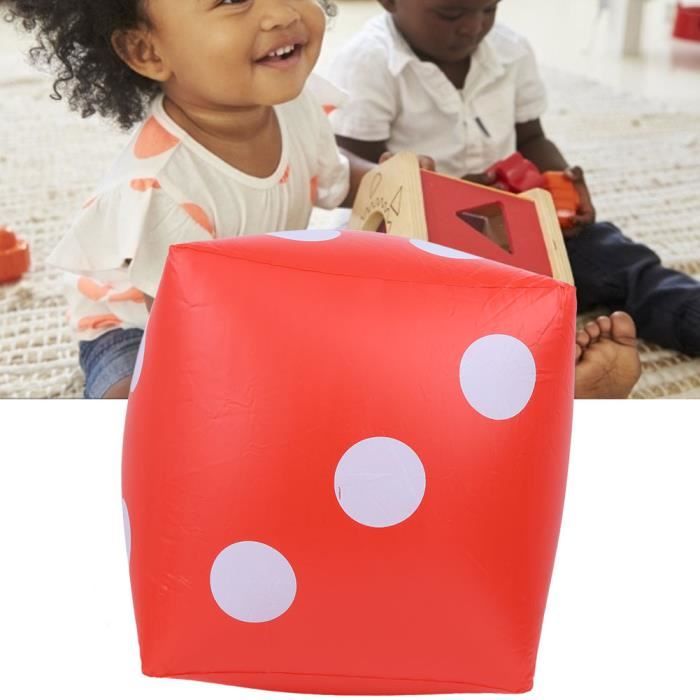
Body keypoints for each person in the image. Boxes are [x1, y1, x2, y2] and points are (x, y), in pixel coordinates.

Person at [6, 0, 417, 398]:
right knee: (148, 402)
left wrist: (394, 181)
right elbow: (183, 332)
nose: (282, 12)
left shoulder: (294, 105)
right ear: (147, 51)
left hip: (252, 295)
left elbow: (336, 179)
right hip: (140, 322)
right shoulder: (162, 189)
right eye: (233, 1)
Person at [325, 0, 700, 394]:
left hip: (511, 225)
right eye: (451, 15)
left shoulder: (511, 50)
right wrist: (449, 194)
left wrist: (563, 182)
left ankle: (687, 312)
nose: (473, 26)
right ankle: (525, 382)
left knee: (615, 258)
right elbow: (352, 169)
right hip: (416, 240)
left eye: (489, 9)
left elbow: (532, 138)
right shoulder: (368, 62)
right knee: (392, 311)